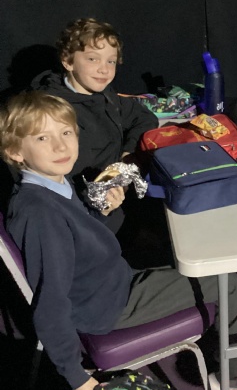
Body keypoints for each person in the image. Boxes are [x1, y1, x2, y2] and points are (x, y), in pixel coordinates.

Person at [0, 91, 237, 390]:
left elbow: (77, 242)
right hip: (108, 305)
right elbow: (50, 303)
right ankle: (235, 373)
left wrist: (100, 213)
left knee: (184, 255)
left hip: (108, 282)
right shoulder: (40, 213)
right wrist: (76, 378)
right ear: (15, 151)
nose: (60, 146)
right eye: (42, 138)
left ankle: (236, 335)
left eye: (65, 132)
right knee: (224, 279)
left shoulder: (51, 184)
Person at [31, 18, 159, 237]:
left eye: (111, 61)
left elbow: (144, 117)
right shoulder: (53, 112)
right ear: (68, 61)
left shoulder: (103, 94)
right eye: (92, 59)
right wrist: (104, 198)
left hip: (120, 198)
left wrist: (127, 156)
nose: (104, 69)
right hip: (91, 219)